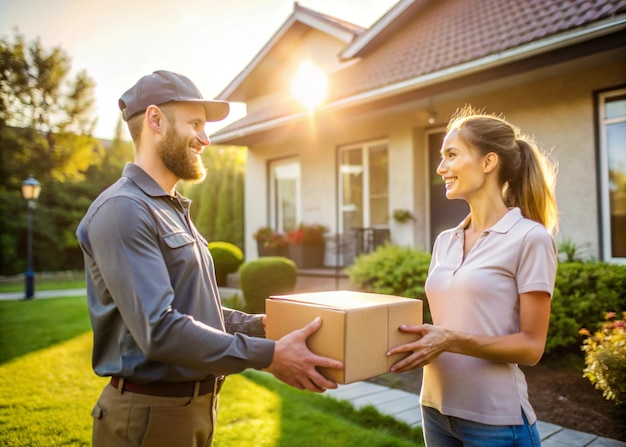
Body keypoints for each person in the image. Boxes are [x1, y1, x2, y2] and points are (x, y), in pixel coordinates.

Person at [76, 70, 343, 447]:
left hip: (192, 410)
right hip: (148, 415)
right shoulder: (124, 209)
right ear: (155, 120)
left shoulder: (170, 210)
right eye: (196, 124)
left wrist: (261, 326)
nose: (206, 138)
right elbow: (159, 329)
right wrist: (268, 355)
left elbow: (196, 312)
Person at [388, 106, 558, 446]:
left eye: (451, 155)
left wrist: (451, 339)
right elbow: (444, 323)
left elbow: (531, 347)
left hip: (495, 422)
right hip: (434, 409)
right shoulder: (444, 241)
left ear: (488, 162)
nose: (441, 168)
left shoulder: (530, 238)